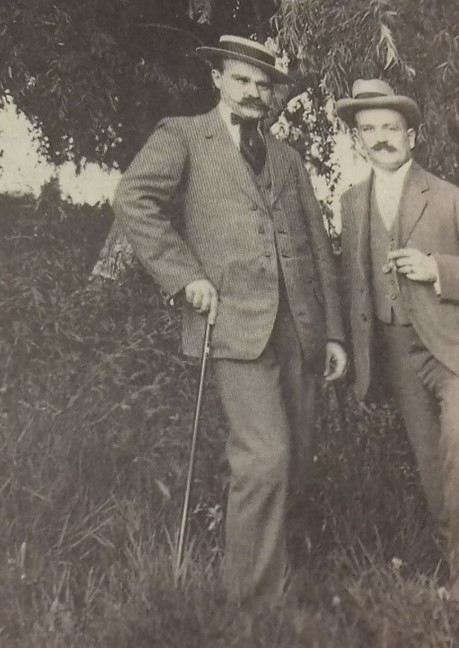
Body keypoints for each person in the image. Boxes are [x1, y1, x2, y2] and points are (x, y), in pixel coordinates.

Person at [113, 35, 347, 604]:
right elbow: (133, 199)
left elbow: (317, 246)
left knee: (295, 459)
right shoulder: (183, 136)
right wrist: (184, 273)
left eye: (264, 84)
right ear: (217, 78)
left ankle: (277, 577)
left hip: (299, 327)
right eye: (241, 79)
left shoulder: (287, 159)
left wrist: (335, 330)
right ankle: (253, 610)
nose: (253, 92)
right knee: (265, 459)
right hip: (232, 324)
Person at [335, 79, 459, 616]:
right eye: (369, 129)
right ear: (358, 140)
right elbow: (354, 284)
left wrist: (439, 269)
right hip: (395, 352)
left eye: (391, 127)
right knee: (434, 473)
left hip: (457, 350)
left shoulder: (453, 198)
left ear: (411, 135)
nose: (381, 138)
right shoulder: (351, 203)